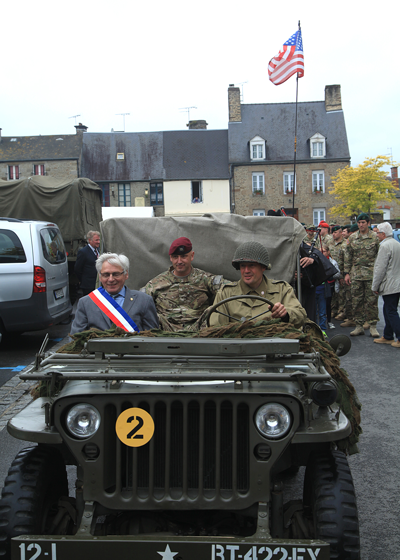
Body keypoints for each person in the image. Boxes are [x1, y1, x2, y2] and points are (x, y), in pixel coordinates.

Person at [209, 241, 306, 329]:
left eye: (251, 265)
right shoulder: (226, 293)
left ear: (263, 267)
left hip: (274, 346)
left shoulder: (282, 289)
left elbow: (300, 316)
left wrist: (285, 314)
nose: (246, 271)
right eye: (243, 266)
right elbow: (216, 329)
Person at [142, 237, 225, 331]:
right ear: (170, 258)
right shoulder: (155, 284)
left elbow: (230, 290)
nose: (179, 261)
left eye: (183, 256)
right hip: (165, 331)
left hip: (199, 331)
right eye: (175, 257)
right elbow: (138, 302)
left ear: (192, 256)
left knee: (213, 311)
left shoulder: (205, 279)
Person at [71, 253, 159, 334]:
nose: (111, 279)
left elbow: (152, 337)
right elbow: (75, 339)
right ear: (100, 277)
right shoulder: (85, 303)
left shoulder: (144, 301)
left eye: (116, 274)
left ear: (126, 274)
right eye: (106, 275)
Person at [343, 213, 380, 337]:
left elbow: (380, 257)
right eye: (359, 223)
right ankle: (359, 326)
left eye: (363, 222)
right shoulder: (353, 238)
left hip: (371, 274)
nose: (361, 225)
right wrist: (346, 273)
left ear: (368, 223)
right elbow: (348, 257)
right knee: (356, 301)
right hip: (356, 274)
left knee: (372, 301)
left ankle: (373, 326)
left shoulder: (375, 237)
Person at [372, 222, 400, 348]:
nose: (376, 235)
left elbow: (380, 268)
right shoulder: (396, 243)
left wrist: (375, 286)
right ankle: (388, 336)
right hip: (397, 283)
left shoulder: (384, 246)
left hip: (389, 283)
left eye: (378, 232)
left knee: (391, 311)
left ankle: (399, 337)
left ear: (383, 234)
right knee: (388, 309)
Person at [74, 231, 101, 296]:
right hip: (88, 286)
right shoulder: (83, 252)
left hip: (99, 284)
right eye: (96, 240)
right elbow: (77, 269)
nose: (98, 242)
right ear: (89, 240)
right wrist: (83, 280)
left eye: (99, 240)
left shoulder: (99, 250)